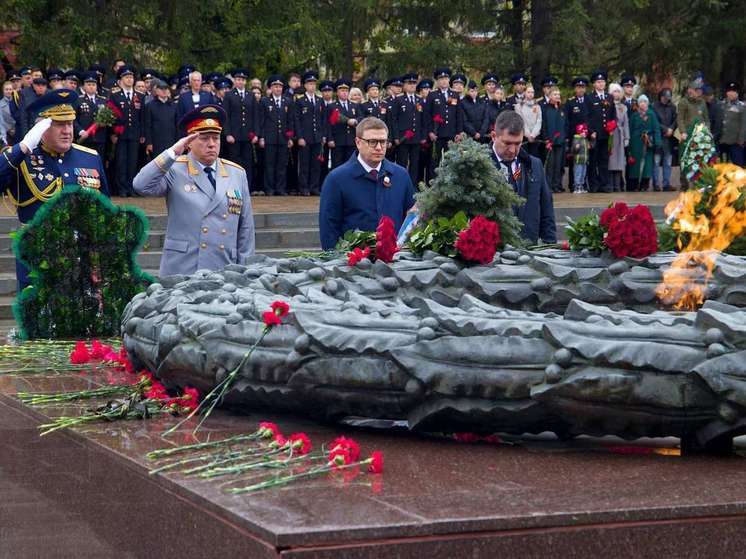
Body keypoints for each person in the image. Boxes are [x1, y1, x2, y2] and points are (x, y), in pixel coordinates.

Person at [0, 89, 109, 289]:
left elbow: (105, 213)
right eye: (59, 124)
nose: (67, 131)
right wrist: (22, 148)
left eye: (69, 123)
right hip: (38, 264)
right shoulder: (22, 159)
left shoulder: (90, 157)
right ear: (41, 128)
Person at [133, 104, 254, 276]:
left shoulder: (236, 173)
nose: (211, 144)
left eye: (216, 138)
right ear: (189, 142)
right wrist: (173, 151)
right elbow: (141, 185)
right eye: (204, 138)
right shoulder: (175, 168)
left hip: (224, 268)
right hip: (184, 268)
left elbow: (246, 228)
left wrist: (245, 272)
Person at [319, 117, 415, 250]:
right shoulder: (337, 179)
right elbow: (328, 228)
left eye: (383, 142)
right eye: (372, 142)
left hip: (396, 260)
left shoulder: (400, 175)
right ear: (358, 142)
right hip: (354, 263)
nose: (379, 147)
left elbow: (411, 219)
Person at [489, 110, 556, 244]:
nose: (513, 150)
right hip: (492, 253)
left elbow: (546, 210)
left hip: (528, 249)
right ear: (493, 136)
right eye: (507, 143)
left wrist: (550, 245)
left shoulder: (535, 165)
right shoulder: (478, 166)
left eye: (518, 143)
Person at [109, 65, 145, 196]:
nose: (130, 80)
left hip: (134, 134)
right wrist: (113, 132)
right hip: (121, 134)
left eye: (131, 77)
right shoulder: (115, 95)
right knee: (121, 162)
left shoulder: (140, 96)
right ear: (121, 79)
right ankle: (122, 188)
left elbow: (142, 117)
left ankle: (131, 187)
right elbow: (111, 115)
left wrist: (142, 134)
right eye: (127, 77)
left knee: (132, 162)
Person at [258, 75, 295, 196]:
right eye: (275, 86)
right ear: (271, 88)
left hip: (283, 138)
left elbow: (290, 121)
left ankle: (280, 188)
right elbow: (261, 121)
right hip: (270, 138)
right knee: (269, 165)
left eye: (280, 86)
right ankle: (269, 188)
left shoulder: (287, 101)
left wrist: (290, 137)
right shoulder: (265, 101)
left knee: (281, 165)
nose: (278, 88)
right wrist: (262, 137)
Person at [223, 68, 258, 189]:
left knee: (248, 162)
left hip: (248, 135)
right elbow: (226, 116)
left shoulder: (250, 95)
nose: (240, 82)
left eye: (243, 80)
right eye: (238, 79)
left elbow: (255, 116)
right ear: (234, 81)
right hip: (234, 135)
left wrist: (256, 134)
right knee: (234, 162)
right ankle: (234, 185)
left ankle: (247, 186)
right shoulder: (229, 95)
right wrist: (227, 133)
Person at [426, 67, 463, 170]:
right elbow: (427, 115)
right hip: (437, 134)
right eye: (441, 79)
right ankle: (432, 183)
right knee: (434, 161)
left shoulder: (455, 94)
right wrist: (430, 132)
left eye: (446, 78)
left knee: (451, 161)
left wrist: (459, 132)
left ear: (449, 80)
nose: (444, 81)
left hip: (451, 133)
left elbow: (459, 115)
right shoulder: (432, 95)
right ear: (437, 81)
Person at [390, 72, 425, 185]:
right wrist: (395, 136)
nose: (412, 85)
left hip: (416, 137)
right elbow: (394, 120)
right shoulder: (398, 100)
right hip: (403, 137)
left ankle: (412, 186)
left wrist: (422, 136)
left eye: (414, 83)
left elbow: (423, 119)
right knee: (402, 163)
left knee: (415, 163)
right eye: (409, 83)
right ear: (404, 85)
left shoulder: (419, 100)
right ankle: (401, 185)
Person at [295, 70, 325, 196]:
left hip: (317, 136)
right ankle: (304, 187)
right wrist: (300, 137)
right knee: (304, 164)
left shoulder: (319, 100)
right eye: (309, 84)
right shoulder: (300, 101)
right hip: (305, 137)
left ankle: (314, 186)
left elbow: (323, 120)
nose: (312, 86)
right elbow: (297, 120)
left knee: (316, 164)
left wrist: (323, 135)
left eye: (314, 83)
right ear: (305, 86)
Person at [587, 70, 616, 193]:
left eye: (603, 82)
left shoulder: (609, 97)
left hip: (605, 134)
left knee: (604, 160)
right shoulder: (589, 97)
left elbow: (612, 114)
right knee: (593, 160)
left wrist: (612, 126)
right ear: (594, 84)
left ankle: (605, 184)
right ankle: (594, 185)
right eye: (598, 82)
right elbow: (587, 116)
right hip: (595, 134)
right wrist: (591, 131)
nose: (601, 84)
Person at [676, 79, 708, 189]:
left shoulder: (702, 102)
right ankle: (684, 183)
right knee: (685, 159)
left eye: (700, 91)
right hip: (687, 134)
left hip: (699, 135)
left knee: (698, 158)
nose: (699, 93)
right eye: (697, 90)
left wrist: (707, 131)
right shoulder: (684, 102)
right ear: (691, 90)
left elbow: (706, 118)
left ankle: (697, 182)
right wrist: (683, 132)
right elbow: (680, 119)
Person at [626, 95, 662, 192]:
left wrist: (657, 142)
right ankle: (634, 185)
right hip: (635, 143)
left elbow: (656, 129)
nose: (643, 104)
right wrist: (628, 141)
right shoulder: (634, 115)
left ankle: (644, 184)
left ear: (647, 103)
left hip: (647, 142)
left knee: (647, 165)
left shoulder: (651, 114)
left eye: (644, 102)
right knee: (635, 165)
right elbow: (630, 128)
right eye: (641, 102)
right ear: (638, 103)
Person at [74, 71, 109, 160]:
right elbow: (73, 119)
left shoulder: (103, 100)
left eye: (93, 84)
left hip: (100, 138)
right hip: (85, 138)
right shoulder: (78, 100)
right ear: (84, 86)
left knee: (98, 162)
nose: (91, 87)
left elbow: (109, 117)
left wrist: (106, 122)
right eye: (89, 84)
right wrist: (80, 131)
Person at [327, 79, 360, 169]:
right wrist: (330, 139)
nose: (344, 93)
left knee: (351, 165)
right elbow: (329, 124)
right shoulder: (332, 106)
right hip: (338, 141)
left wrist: (355, 121)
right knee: (337, 165)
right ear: (337, 93)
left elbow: (361, 118)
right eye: (342, 91)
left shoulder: (355, 105)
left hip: (351, 140)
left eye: (346, 91)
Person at [541, 86, 567, 193]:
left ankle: (557, 185)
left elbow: (566, 124)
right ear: (549, 96)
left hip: (560, 141)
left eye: (558, 94)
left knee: (558, 165)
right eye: (555, 94)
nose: (557, 96)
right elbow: (543, 125)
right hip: (550, 142)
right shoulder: (545, 109)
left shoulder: (562, 109)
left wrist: (565, 137)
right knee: (550, 165)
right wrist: (546, 138)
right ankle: (549, 185)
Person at [143, 79, 177, 159]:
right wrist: (149, 143)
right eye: (161, 89)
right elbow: (147, 125)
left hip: (171, 141)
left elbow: (177, 125)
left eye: (166, 89)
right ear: (157, 91)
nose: (164, 91)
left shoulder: (174, 105)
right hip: (156, 142)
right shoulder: (150, 106)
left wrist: (178, 141)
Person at [652, 88, 678, 191]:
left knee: (668, 162)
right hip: (658, 137)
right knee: (656, 162)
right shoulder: (654, 107)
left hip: (669, 139)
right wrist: (665, 129)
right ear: (661, 96)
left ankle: (666, 184)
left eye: (667, 97)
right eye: (664, 97)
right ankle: (656, 184)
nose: (666, 99)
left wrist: (671, 128)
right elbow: (654, 121)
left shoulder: (672, 107)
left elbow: (676, 119)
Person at [607, 83, 630, 192]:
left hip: (620, 136)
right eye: (614, 91)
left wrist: (626, 137)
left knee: (619, 162)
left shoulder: (623, 107)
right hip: (610, 135)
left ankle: (618, 185)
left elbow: (625, 123)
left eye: (617, 91)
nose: (616, 93)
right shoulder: (607, 104)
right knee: (610, 161)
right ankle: (610, 185)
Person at [719, 82, 746, 166]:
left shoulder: (742, 107)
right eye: (729, 91)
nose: (731, 93)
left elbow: (744, 125)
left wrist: (741, 140)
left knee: (737, 166)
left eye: (734, 91)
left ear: (737, 93)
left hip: (735, 142)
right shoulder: (721, 104)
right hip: (721, 140)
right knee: (720, 166)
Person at [514, 84, 542, 158]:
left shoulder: (537, 106)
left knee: (534, 158)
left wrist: (533, 134)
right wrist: (528, 134)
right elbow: (521, 121)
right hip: (524, 136)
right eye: (528, 92)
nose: (530, 94)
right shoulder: (519, 106)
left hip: (535, 136)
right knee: (524, 158)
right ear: (524, 93)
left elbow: (539, 121)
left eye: (532, 92)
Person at [570, 124, 590, 194]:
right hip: (578, 160)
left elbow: (591, 146)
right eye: (583, 132)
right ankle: (576, 187)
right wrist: (576, 148)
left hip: (584, 160)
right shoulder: (576, 139)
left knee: (583, 174)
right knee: (578, 173)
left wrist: (593, 140)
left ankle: (581, 186)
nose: (585, 133)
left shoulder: (585, 140)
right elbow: (573, 150)